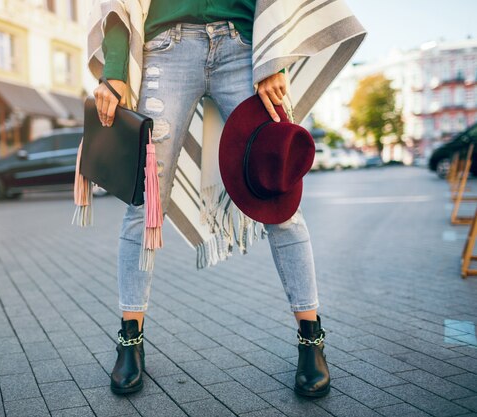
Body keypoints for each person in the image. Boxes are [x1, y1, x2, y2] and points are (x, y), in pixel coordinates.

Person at [86, 0, 365, 399]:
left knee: (280, 199)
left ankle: (311, 338)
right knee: (144, 204)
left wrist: (276, 58)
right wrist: (114, 69)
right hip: (166, 47)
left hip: (244, 49)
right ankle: (130, 340)